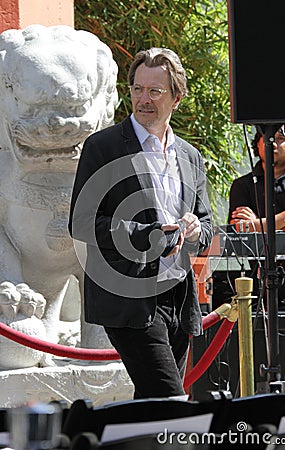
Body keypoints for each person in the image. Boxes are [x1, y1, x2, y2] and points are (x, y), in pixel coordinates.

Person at [68, 47, 213, 399]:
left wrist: (195, 230)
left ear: (176, 98)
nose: (143, 99)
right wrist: (145, 235)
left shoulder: (190, 157)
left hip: (178, 298)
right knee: (171, 399)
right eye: (137, 89)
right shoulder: (103, 147)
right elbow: (82, 223)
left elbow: (208, 226)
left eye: (155, 91)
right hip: (128, 300)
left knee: (153, 406)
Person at [228, 123, 285, 305]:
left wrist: (257, 224)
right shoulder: (242, 185)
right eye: (266, 138)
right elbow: (239, 227)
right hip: (260, 283)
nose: (273, 144)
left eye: (280, 138)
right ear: (258, 143)